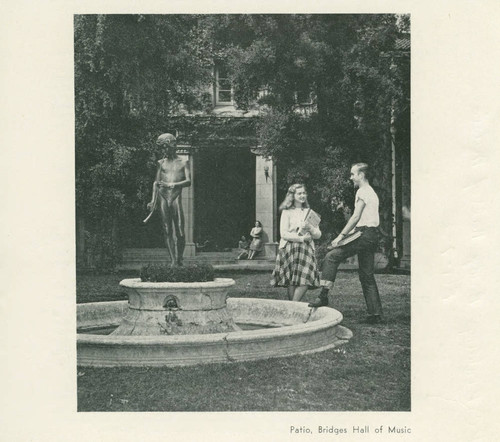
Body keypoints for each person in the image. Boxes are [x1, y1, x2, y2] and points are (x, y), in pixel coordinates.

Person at [309, 163, 383, 324]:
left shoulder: (363, 191)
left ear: (361, 175)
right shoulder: (372, 192)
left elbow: (356, 217)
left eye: (352, 174)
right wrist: (345, 236)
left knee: (331, 256)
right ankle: (375, 313)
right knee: (366, 275)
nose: (351, 178)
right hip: (371, 235)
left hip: (363, 234)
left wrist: (340, 236)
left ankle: (323, 296)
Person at [146, 133, 191, 266]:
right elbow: (156, 182)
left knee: (180, 230)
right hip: (163, 197)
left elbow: (188, 181)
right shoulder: (161, 163)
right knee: (167, 230)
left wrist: (172, 185)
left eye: (166, 147)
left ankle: (179, 258)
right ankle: (173, 260)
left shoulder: (183, 162)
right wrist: (153, 200)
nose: (164, 151)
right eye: (162, 148)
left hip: (175, 196)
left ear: (173, 146)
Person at [271, 184, 321, 301]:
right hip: (290, 248)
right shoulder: (287, 212)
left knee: (306, 278)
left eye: (304, 193)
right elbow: (283, 234)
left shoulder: (309, 212)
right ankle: (294, 310)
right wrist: (301, 239)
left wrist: (310, 228)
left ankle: (293, 306)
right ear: (292, 196)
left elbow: (318, 234)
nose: (302, 195)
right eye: (299, 193)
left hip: (306, 249)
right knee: (292, 281)